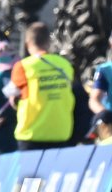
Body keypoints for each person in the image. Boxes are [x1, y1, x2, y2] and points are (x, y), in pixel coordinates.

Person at [10, 22, 75, 150]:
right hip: (61, 133)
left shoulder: (23, 66)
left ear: (27, 43)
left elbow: (12, 99)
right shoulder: (65, 64)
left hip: (32, 135)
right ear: (48, 41)